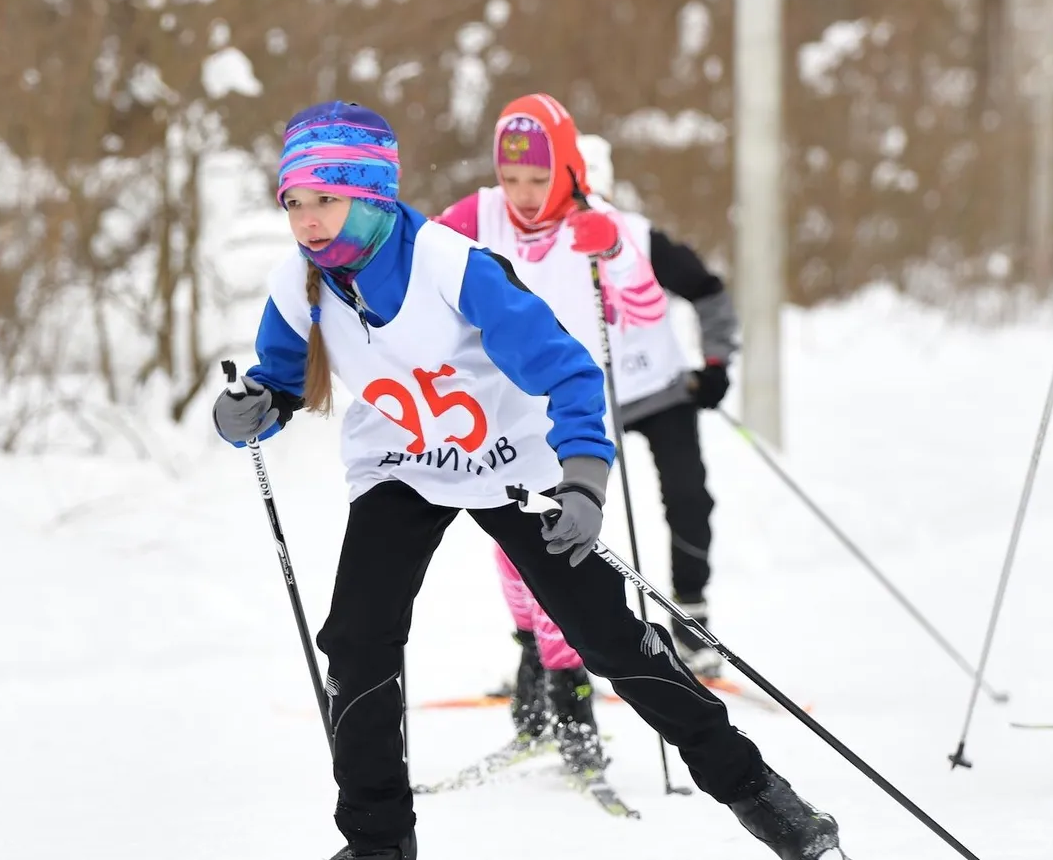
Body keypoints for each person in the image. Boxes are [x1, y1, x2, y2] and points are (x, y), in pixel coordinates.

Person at [212, 99, 842, 860]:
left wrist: (582, 481)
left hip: (513, 466)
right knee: (356, 639)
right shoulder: (299, 282)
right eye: (295, 203)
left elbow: (569, 370)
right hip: (400, 466)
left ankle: (770, 806)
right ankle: (378, 843)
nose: (309, 220)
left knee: (611, 640)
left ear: (373, 194)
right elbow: (279, 379)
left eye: (327, 199)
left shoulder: (453, 266)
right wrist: (252, 407)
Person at [437, 94, 740, 725]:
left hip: (636, 392)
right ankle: (535, 665)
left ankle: (671, 630)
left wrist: (618, 257)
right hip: (524, 405)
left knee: (674, 499)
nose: (522, 193)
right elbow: (422, 261)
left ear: (575, 170)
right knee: (518, 546)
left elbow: (657, 307)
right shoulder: (478, 214)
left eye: (539, 178)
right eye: (511, 177)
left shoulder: (612, 225)